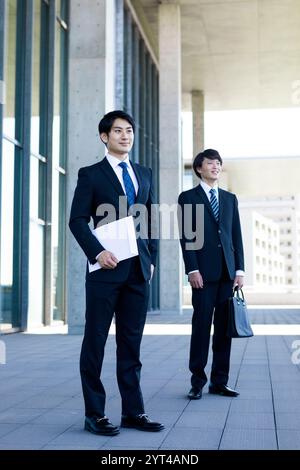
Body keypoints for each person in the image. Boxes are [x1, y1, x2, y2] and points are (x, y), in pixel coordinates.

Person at [69, 110, 164, 435]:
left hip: (137, 272)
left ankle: (133, 412)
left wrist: (151, 257)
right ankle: (94, 414)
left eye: (129, 131)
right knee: (95, 341)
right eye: (118, 131)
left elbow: (150, 218)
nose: (126, 136)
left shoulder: (144, 173)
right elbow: (77, 220)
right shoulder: (91, 174)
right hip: (104, 271)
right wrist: (98, 251)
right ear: (104, 137)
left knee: (131, 344)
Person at [178, 149, 244, 400]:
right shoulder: (187, 198)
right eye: (210, 163)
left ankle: (220, 381)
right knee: (201, 327)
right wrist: (192, 269)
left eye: (218, 163)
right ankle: (197, 381)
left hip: (228, 274)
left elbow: (235, 235)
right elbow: (187, 238)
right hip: (203, 275)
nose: (216, 166)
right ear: (199, 168)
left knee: (224, 330)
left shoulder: (229, 199)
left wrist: (240, 269)